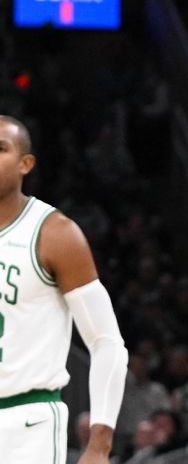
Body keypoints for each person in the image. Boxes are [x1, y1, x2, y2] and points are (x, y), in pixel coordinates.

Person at [0, 115, 129, 463]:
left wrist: (100, 445)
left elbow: (107, 343)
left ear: (26, 164)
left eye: (1, 149)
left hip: (24, 422)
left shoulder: (55, 234)